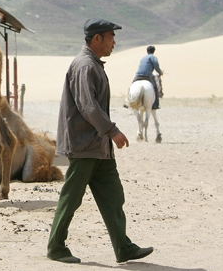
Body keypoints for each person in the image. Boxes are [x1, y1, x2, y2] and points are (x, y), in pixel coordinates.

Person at [46, 19, 154, 264]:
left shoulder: (93, 64)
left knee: (113, 196)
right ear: (97, 39)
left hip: (98, 147)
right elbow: (88, 106)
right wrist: (112, 131)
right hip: (84, 145)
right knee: (71, 198)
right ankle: (55, 247)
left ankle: (124, 248)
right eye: (111, 37)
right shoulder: (85, 66)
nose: (114, 42)